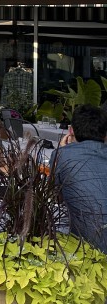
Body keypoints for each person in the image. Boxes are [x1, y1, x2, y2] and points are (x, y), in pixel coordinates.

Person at [50, 104, 107, 253]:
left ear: (71, 131)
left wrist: (60, 152)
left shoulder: (62, 155)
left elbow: (56, 198)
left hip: (89, 246)